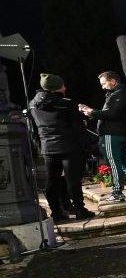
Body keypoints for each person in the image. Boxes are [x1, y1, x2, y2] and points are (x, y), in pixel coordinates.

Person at [28, 73, 95, 221]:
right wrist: (86, 144)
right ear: (56, 87)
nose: (65, 87)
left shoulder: (33, 104)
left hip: (48, 147)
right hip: (69, 146)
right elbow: (78, 126)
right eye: (62, 85)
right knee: (73, 181)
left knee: (52, 181)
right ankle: (79, 210)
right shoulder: (66, 103)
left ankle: (57, 213)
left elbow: (33, 128)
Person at [79, 70, 126, 202]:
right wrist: (92, 112)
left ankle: (117, 192)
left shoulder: (119, 95)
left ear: (113, 81)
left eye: (104, 83)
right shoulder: (119, 94)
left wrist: (92, 112)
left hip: (112, 135)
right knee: (125, 162)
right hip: (120, 134)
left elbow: (113, 114)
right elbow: (111, 113)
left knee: (114, 163)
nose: (102, 87)